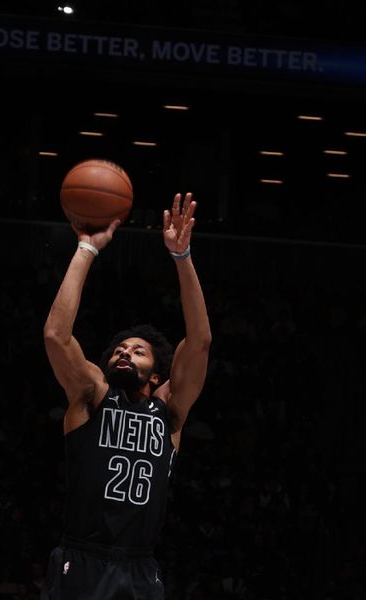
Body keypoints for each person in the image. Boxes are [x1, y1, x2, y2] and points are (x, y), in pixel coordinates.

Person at [41, 193, 212, 599]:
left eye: (137, 351)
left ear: (156, 375)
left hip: (139, 565)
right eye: (119, 349)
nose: (124, 352)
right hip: (82, 558)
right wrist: (86, 247)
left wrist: (182, 256)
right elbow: (55, 336)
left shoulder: (169, 410)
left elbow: (201, 341)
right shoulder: (91, 397)